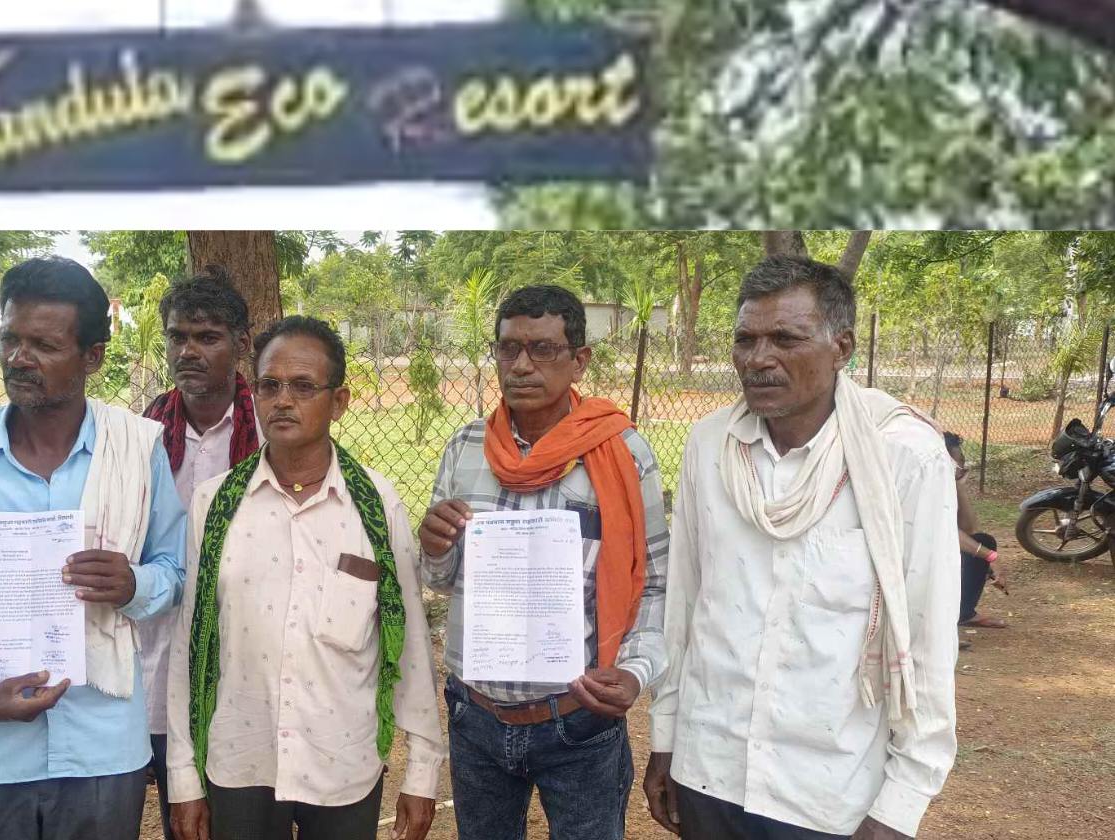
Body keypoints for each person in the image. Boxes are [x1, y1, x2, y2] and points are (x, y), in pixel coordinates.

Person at [645, 256, 959, 840]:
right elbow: (685, 603)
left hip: (826, 791)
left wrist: (900, 805)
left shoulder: (902, 457)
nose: (758, 359)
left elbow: (928, 635)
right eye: (746, 339)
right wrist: (666, 737)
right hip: (708, 767)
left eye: (786, 339)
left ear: (841, 347)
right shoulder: (710, 445)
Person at [0, 257, 187, 840]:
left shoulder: (134, 449)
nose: (19, 358)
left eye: (45, 345)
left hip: (102, 745)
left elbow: (174, 571)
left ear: (92, 356)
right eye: (10, 339)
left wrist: (135, 585)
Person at [166, 316, 444, 840]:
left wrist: (422, 771)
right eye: (269, 386)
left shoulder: (375, 505)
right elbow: (191, 644)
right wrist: (184, 778)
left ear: (339, 402)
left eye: (302, 387)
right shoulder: (216, 504)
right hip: (242, 760)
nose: (283, 401)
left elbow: (407, 642)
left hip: (343, 762)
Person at [417, 284, 669, 840]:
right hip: (475, 717)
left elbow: (655, 583)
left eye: (543, 349)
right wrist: (434, 548)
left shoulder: (622, 453)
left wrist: (635, 671)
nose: (522, 365)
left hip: (578, 720)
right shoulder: (466, 447)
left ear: (580, 360)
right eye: (508, 348)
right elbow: (441, 580)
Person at [139, 267, 261, 839]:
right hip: (159, 648)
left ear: (241, 344)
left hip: (247, 647)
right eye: (177, 336)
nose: (188, 351)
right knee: (181, 809)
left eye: (207, 337)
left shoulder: (270, 434)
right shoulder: (140, 438)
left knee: (246, 810)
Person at [944, 432, 1008, 646]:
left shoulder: (944, 485)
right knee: (980, 549)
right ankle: (934, 634)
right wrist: (991, 557)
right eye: (956, 463)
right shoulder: (921, 486)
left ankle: (964, 613)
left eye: (962, 462)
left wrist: (959, 487)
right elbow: (945, 532)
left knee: (983, 540)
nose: (962, 468)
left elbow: (969, 529)